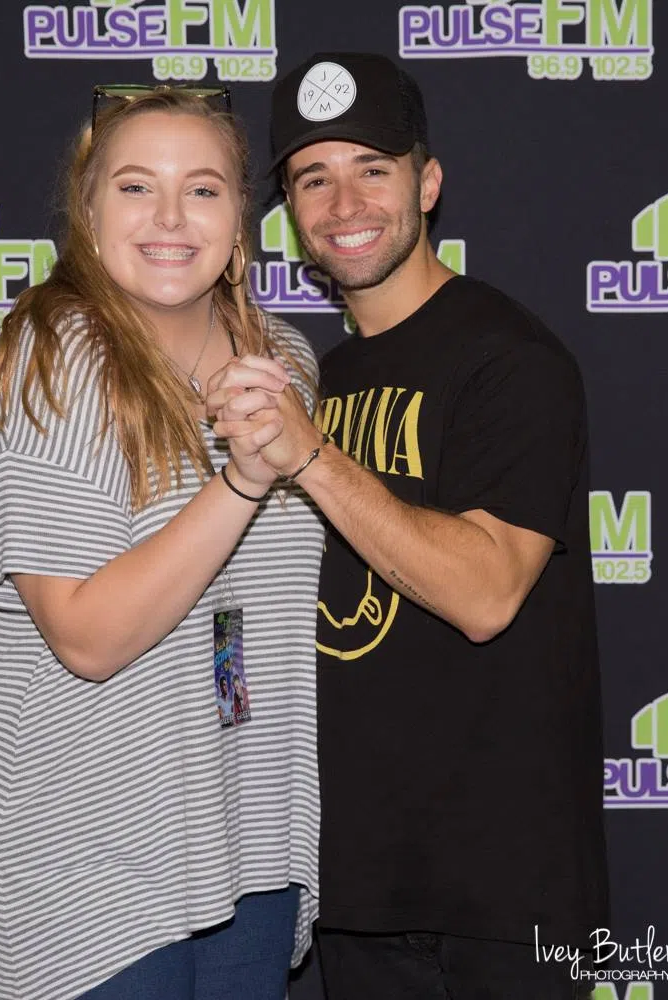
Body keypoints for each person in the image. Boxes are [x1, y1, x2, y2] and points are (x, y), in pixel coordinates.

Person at [208, 52, 608, 1000]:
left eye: (372, 169)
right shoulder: (311, 381)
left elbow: (485, 595)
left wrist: (312, 455)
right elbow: (246, 610)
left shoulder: (511, 360)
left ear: (427, 184)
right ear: (289, 211)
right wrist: (226, 720)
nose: (344, 203)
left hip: (505, 899)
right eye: (313, 178)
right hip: (353, 887)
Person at [0, 84, 324, 1000]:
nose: (170, 218)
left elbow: (243, 609)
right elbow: (89, 637)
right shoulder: (53, 355)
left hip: (240, 818)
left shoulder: (287, 363)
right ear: (89, 210)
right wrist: (242, 479)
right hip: (72, 840)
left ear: (240, 215)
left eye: (203, 189)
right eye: (137, 186)